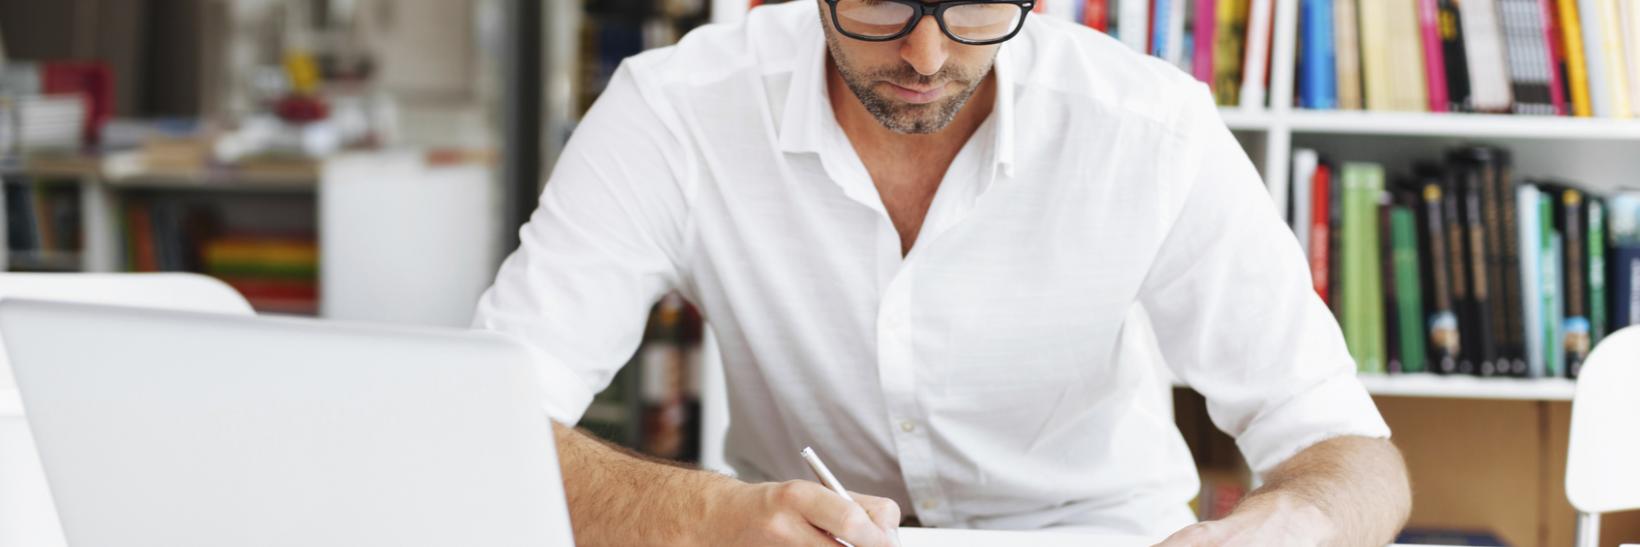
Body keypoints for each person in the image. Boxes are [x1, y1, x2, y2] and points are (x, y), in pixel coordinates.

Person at [473, 1, 1412, 545]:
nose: (925, 56)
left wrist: (1293, 525)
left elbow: (1351, 451)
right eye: (880, 0)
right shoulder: (674, 114)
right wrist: (708, 516)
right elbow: (480, 424)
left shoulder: (1150, 130)